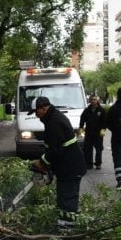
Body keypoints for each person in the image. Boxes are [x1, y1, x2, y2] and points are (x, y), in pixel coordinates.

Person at [29, 96, 87, 231]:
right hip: (65, 167)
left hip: (71, 168)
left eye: (36, 112)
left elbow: (57, 150)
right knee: (62, 199)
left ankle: (68, 231)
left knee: (67, 200)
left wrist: (42, 162)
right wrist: (47, 166)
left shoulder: (54, 122)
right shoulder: (52, 119)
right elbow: (54, 148)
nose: (36, 116)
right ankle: (63, 227)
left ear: (43, 108)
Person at [79, 95, 107, 170]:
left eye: (94, 99)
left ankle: (98, 164)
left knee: (99, 149)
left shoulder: (101, 110)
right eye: (92, 100)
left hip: (98, 134)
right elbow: (82, 120)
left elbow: (105, 122)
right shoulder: (87, 110)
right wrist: (81, 130)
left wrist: (103, 131)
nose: (93, 101)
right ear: (90, 101)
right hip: (88, 133)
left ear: (97, 101)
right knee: (87, 150)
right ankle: (89, 164)